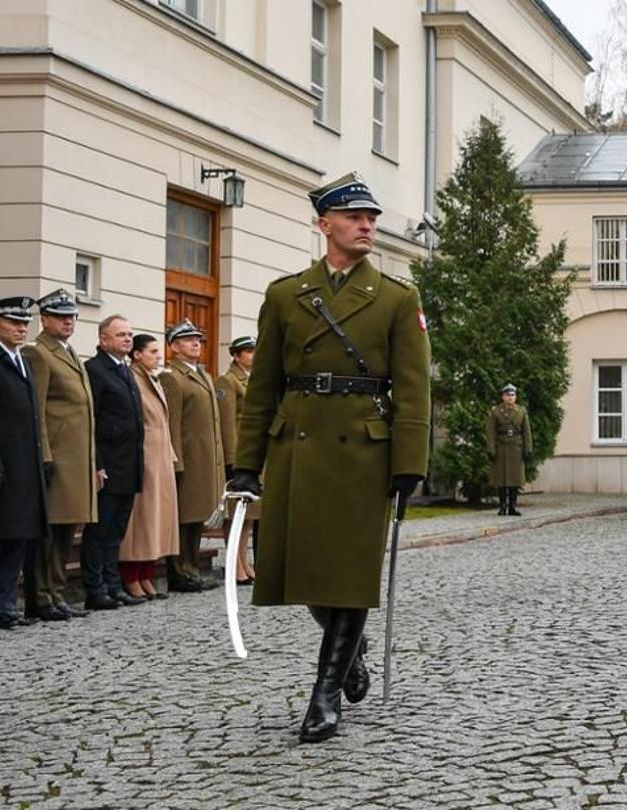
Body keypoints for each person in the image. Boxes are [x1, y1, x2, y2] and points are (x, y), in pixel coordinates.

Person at [228, 171, 433, 743]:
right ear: (325, 224)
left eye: (371, 218)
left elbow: (414, 388)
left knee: (348, 574)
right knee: (300, 571)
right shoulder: (284, 294)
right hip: (297, 444)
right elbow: (263, 387)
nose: (367, 225)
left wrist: (408, 461)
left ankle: (324, 693)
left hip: (363, 449)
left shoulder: (397, 297)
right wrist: (247, 464)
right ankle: (353, 650)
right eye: (353, 217)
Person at [22, 288, 100, 620]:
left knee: (67, 527)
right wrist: (45, 453)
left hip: (78, 456)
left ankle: (55, 591)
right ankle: (41, 596)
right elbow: (37, 409)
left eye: (72, 316)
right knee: (51, 529)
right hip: (58, 455)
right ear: (46, 319)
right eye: (61, 316)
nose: (68, 322)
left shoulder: (68, 352)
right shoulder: (38, 353)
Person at [0, 296, 44, 629]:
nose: (22, 329)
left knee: (17, 538)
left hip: (24, 466)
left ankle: (6, 603)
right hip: (0, 467)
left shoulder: (22, 360)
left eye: (25, 323)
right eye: (14, 322)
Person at [83, 315, 145, 609]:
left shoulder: (125, 369)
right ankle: (95, 589)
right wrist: (97, 463)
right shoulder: (96, 369)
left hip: (129, 462)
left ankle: (112, 583)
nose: (127, 339)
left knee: (116, 531)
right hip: (108, 462)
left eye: (130, 334)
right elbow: (92, 421)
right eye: (120, 334)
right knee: (100, 531)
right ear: (103, 339)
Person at [159, 319, 222, 592]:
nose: (196, 343)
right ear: (174, 346)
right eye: (188, 339)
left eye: (198, 339)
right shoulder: (172, 377)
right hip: (188, 456)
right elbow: (172, 423)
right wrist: (176, 460)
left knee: (198, 516)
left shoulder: (204, 375)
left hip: (206, 457)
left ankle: (193, 566)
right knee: (185, 516)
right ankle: (180, 570)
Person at [119, 334, 177, 601]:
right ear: (137, 355)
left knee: (157, 521)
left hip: (160, 456)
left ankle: (147, 574)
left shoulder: (152, 378)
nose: (159, 355)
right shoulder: (133, 378)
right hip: (144, 458)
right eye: (153, 351)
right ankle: (132, 576)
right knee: (141, 522)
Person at [215, 335, 258, 583]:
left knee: (249, 515)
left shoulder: (252, 380)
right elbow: (228, 423)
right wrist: (233, 460)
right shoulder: (228, 381)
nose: (253, 355)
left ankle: (244, 561)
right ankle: (235, 566)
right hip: (240, 454)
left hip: (253, 454)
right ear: (236, 355)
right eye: (248, 351)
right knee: (235, 515)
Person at [487, 384, 532, 517]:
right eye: (507, 395)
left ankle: (512, 507)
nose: (510, 398)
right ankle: (502, 507)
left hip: (516, 448)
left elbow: (527, 432)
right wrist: (491, 449)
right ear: (503, 397)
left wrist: (528, 448)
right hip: (501, 448)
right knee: (501, 481)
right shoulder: (496, 412)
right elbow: (491, 433)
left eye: (512, 395)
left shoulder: (521, 412)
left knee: (515, 480)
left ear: (515, 397)